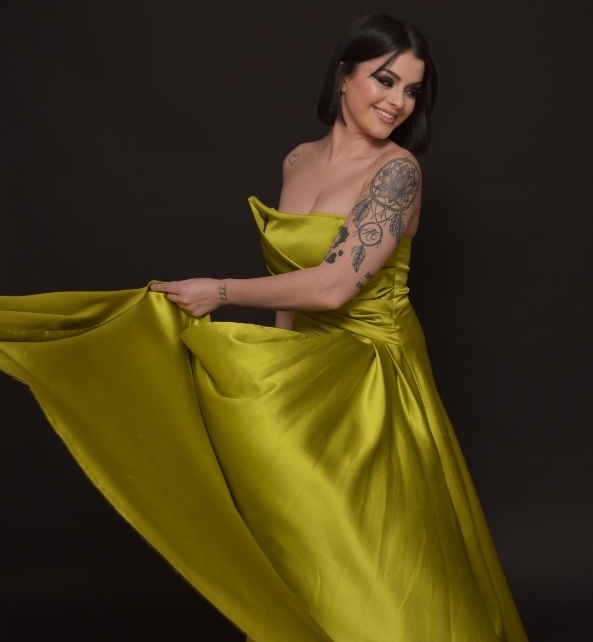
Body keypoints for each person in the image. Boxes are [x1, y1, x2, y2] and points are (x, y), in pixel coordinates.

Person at [0, 13, 529, 642]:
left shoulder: (398, 172)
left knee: (374, 545)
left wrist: (221, 291)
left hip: (371, 374)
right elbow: (291, 285)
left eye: (412, 90)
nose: (398, 102)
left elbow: (332, 286)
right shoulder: (298, 160)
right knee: (300, 534)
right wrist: (275, 367)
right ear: (344, 75)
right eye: (385, 80)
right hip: (307, 365)